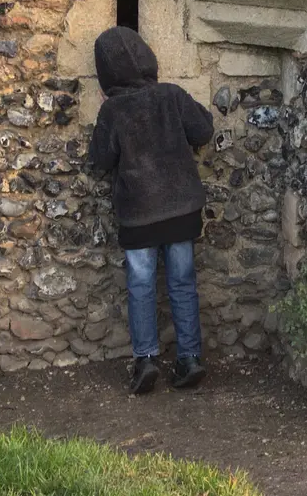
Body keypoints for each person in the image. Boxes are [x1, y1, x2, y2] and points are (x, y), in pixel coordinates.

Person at [88, 26, 214, 394]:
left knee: (141, 286)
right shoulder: (171, 96)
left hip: (139, 212)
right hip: (180, 209)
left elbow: (100, 160)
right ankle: (190, 358)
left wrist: (104, 116)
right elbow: (203, 131)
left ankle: (145, 361)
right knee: (182, 283)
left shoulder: (113, 110)